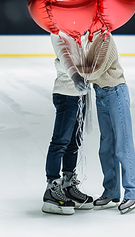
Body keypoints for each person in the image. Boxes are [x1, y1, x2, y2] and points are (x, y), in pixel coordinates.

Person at [48, 31, 135, 215]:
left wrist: (71, 72)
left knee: (122, 144)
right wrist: (71, 70)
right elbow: (82, 62)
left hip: (115, 91)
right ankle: (111, 191)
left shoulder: (105, 37)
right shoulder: (87, 39)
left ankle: (134, 192)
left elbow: (98, 68)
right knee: (106, 146)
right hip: (100, 93)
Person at [42, 32, 94, 215]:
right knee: (60, 142)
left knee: (73, 143)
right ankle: (52, 189)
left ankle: (68, 183)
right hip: (66, 93)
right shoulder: (58, 32)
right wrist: (75, 75)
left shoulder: (80, 31)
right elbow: (64, 56)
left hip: (81, 94)